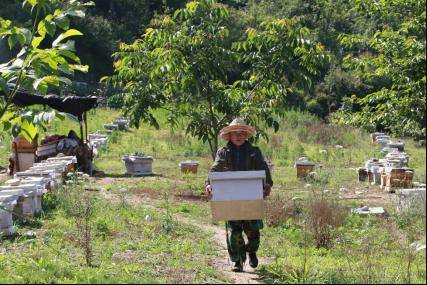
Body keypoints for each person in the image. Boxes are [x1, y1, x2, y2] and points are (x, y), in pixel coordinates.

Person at [205, 118, 273, 272]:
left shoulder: (254, 152)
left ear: (246, 135)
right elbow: (215, 170)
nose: (238, 136)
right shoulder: (223, 152)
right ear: (229, 136)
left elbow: (264, 169)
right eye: (235, 133)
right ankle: (237, 260)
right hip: (230, 196)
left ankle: (252, 251)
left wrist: (268, 184)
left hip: (251, 197)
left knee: (253, 231)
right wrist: (209, 184)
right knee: (234, 232)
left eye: (241, 133)